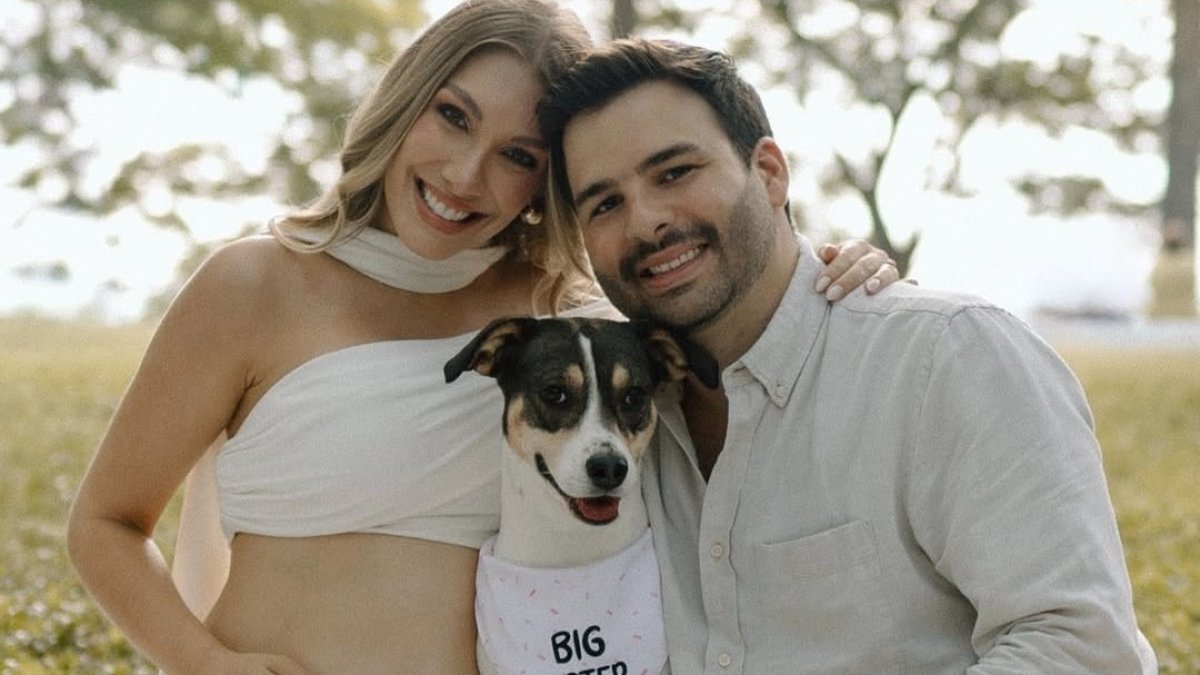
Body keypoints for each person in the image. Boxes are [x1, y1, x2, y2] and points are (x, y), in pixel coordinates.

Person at [64, 3, 898, 674]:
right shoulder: (254, 285)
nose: (466, 175)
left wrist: (836, 266)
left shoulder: (570, 318)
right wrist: (203, 663)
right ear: (405, 101)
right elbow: (104, 522)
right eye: (452, 117)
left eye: (517, 155)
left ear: (548, 182)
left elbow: (739, 317)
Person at [538, 38, 1158, 674]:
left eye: (675, 173)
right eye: (606, 203)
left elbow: (1081, 649)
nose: (645, 223)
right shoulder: (600, 412)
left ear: (770, 174)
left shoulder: (946, 360)